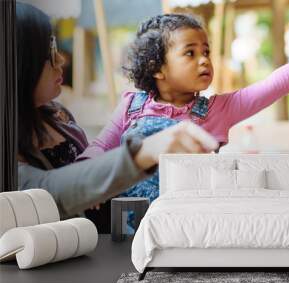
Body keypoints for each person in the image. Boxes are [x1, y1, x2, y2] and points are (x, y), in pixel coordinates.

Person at [79, 13, 289, 207]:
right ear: (157, 68)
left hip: (189, 222)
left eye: (206, 51)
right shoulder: (131, 105)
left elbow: (272, 86)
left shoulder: (217, 110)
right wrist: (85, 181)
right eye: (190, 53)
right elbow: (100, 147)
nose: (204, 60)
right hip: (128, 225)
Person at [16, 3, 218, 227]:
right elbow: (47, 192)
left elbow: (91, 169)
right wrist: (145, 151)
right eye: (51, 52)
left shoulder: (58, 116)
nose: (62, 60)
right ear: (22, 63)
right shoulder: (131, 104)